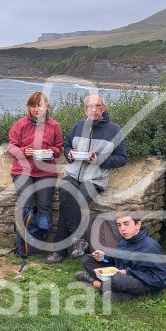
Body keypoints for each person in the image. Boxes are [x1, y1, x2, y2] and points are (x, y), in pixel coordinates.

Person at [45, 94, 128, 263]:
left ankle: (61, 251)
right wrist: (69, 154)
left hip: (95, 179)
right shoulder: (78, 126)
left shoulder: (114, 130)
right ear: (85, 109)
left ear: (103, 108)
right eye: (90, 106)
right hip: (74, 174)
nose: (94, 110)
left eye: (97, 106)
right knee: (66, 192)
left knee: (71, 202)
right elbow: (67, 146)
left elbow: (122, 159)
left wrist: (100, 160)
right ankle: (79, 242)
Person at [75, 213, 166, 302]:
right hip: (119, 274)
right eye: (119, 225)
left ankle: (96, 283)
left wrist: (128, 272)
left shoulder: (151, 247)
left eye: (126, 224)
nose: (122, 229)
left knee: (117, 279)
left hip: (141, 283)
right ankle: (118, 292)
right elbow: (117, 258)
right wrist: (104, 257)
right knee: (87, 259)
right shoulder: (124, 240)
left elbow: (163, 280)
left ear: (138, 225)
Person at [7, 90, 63, 241]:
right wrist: (25, 151)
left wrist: (50, 151)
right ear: (28, 107)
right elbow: (11, 148)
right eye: (33, 106)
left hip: (46, 172)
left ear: (47, 106)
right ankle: (24, 240)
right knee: (26, 203)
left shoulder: (54, 125)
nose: (36, 109)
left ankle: (41, 240)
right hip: (23, 171)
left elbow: (59, 149)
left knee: (44, 206)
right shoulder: (20, 124)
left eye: (40, 105)